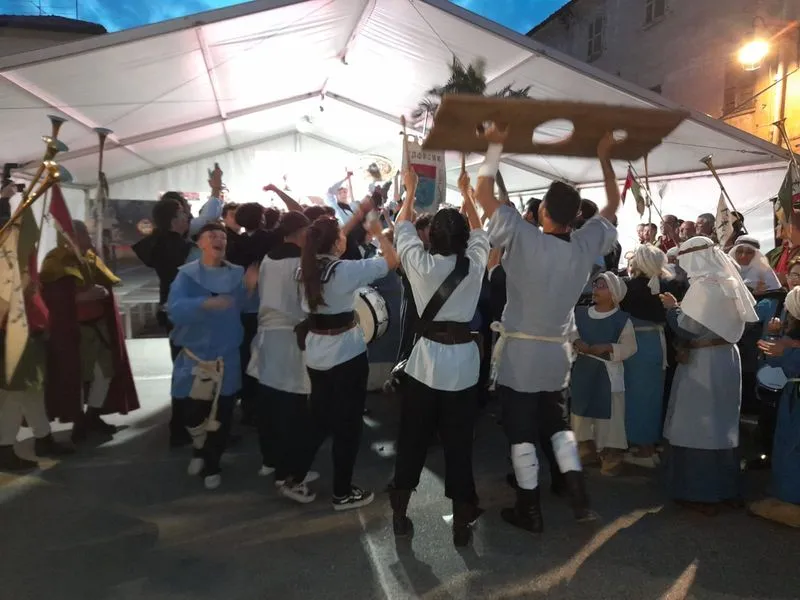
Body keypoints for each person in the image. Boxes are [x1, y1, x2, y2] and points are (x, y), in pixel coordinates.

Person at [473, 125, 621, 533]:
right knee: (556, 425)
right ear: (576, 216)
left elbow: (483, 192)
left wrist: (495, 143)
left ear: (542, 212)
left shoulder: (523, 236)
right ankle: (577, 494)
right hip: (558, 353)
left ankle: (530, 509)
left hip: (521, 353)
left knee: (521, 431)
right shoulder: (585, 244)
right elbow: (612, 204)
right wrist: (604, 154)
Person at [388, 167, 489, 546]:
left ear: (430, 237)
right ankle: (462, 520)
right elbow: (480, 231)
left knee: (412, 440)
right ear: (463, 240)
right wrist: (468, 197)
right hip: (463, 368)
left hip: (424, 366)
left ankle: (400, 512)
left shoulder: (419, 262)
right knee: (459, 446)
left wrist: (410, 190)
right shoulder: (474, 264)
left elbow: (402, 225)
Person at [279, 208, 398, 510]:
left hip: (316, 353)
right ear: (335, 243)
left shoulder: (304, 268)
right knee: (348, 426)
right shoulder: (344, 271)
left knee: (318, 420)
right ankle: (342, 493)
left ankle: (294, 477)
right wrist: (380, 234)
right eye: (341, 235)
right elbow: (392, 261)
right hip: (346, 355)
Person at [660, 236, 758, 515]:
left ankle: (701, 493)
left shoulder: (703, 287)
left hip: (704, 363)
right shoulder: (729, 282)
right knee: (722, 425)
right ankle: (727, 488)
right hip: (726, 358)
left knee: (698, 425)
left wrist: (671, 308)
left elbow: (687, 327)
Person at [167, 222, 258, 490]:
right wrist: (205, 303)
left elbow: (244, 306)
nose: (219, 239)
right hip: (194, 356)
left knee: (223, 413)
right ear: (200, 243)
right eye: (212, 236)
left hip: (227, 356)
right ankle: (199, 448)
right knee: (192, 411)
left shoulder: (236, 273)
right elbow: (175, 309)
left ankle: (212, 463)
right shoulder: (186, 275)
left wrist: (250, 288)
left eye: (222, 236)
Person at [40, 220, 138, 442]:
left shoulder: (91, 259)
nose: (90, 239)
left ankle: (92, 416)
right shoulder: (56, 262)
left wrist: (101, 294)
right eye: (85, 234)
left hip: (98, 328)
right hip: (75, 333)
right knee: (76, 377)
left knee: (105, 373)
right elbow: (50, 298)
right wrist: (81, 297)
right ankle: (79, 420)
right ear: (72, 236)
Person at [248, 211, 318, 491]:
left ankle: (269, 460)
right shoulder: (301, 260)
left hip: (266, 337)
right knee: (293, 406)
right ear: (302, 233)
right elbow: (306, 301)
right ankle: (287, 470)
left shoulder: (268, 258)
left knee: (269, 402)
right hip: (291, 338)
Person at [0, 209, 74, 471]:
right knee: (14, 394)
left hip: (28, 332)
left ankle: (43, 438)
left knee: (32, 391)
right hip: (12, 335)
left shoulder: (16, 262)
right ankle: (4, 448)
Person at [132, 195, 195, 446]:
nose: (187, 217)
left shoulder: (159, 244)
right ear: (173, 220)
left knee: (181, 366)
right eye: (182, 214)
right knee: (188, 367)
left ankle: (182, 423)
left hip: (171, 308)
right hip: (185, 311)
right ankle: (184, 425)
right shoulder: (180, 248)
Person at [571, 272, 636, 476]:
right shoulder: (580, 313)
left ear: (614, 293)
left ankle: (611, 453)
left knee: (611, 414)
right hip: (584, 369)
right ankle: (585, 446)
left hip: (608, 372)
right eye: (596, 285)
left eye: (602, 286)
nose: (596, 289)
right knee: (581, 410)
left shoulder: (621, 320)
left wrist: (608, 347)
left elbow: (630, 347)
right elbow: (571, 332)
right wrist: (576, 341)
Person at [751, 287, 800, 527]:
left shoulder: (790, 343)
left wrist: (776, 340)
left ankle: (789, 501)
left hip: (795, 400)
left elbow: (773, 357)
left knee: (791, 448)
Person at [620, 244, 673, 466]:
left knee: (636, 397)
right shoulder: (669, 285)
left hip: (635, 345)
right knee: (653, 396)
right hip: (658, 345)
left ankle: (643, 449)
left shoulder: (628, 287)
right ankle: (650, 444)